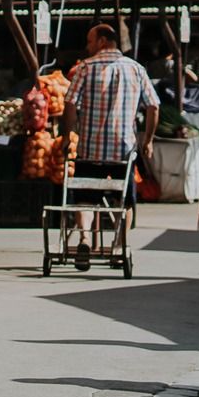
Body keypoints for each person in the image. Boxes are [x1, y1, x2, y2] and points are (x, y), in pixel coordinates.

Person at [64, 23, 159, 272]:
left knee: (84, 198)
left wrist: (66, 137)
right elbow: (153, 106)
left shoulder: (85, 67)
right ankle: (118, 245)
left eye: (90, 41)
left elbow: (70, 103)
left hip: (90, 149)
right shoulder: (136, 69)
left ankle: (85, 239)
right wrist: (148, 140)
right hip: (123, 151)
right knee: (123, 201)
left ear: (103, 41)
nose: (87, 46)